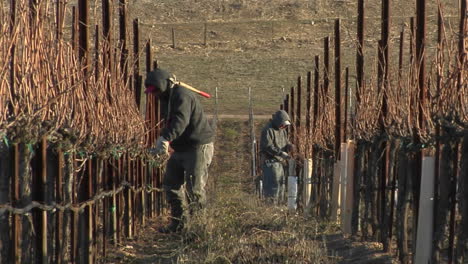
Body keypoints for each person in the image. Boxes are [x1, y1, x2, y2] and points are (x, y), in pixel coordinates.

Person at [145, 68, 215, 233]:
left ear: (165, 85)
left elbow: (180, 121)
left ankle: (199, 230)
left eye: (155, 90)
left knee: (195, 190)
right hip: (181, 148)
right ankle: (179, 225)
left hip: (198, 147)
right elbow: (169, 122)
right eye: (151, 92)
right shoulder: (166, 98)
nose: (154, 95)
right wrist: (165, 139)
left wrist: (166, 138)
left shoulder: (182, 95)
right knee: (171, 184)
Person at [259, 110, 292, 203]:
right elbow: (268, 146)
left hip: (280, 163)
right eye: (283, 124)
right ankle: (271, 209)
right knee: (273, 187)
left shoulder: (282, 131)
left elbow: (285, 142)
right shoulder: (268, 130)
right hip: (271, 163)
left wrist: (290, 146)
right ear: (277, 121)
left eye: (285, 125)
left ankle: (279, 207)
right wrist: (281, 153)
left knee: (281, 186)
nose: (284, 126)